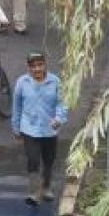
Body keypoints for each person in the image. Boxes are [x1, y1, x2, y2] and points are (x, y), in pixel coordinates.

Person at [11, 51, 68, 205]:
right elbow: (17, 106)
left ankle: (46, 187)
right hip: (29, 128)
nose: (37, 69)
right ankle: (34, 192)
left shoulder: (55, 81)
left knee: (48, 160)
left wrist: (59, 118)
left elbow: (62, 103)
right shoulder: (22, 82)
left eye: (39, 65)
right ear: (28, 67)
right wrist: (16, 127)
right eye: (33, 66)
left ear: (45, 65)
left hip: (49, 129)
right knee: (33, 159)